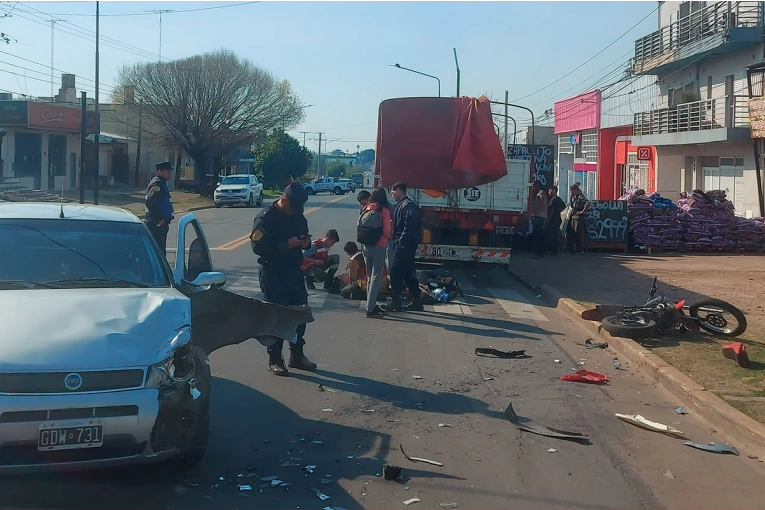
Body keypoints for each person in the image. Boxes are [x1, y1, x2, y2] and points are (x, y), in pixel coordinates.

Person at [250, 182, 316, 377]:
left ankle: (296, 355)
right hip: (273, 272)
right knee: (276, 316)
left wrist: (305, 242)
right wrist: (286, 245)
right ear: (284, 200)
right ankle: (275, 358)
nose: (294, 212)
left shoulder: (297, 215)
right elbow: (258, 248)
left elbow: (304, 235)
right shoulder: (265, 219)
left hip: (293, 271)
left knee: (300, 313)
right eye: (292, 207)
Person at [383, 181, 422, 312]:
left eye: (393, 192)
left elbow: (409, 227)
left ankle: (396, 301)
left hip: (405, 244)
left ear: (398, 190)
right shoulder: (401, 205)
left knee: (394, 271)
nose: (392, 195)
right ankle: (416, 299)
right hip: (403, 243)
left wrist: (402, 242)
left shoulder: (408, 206)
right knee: (408, 273)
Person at [357, 187, 392, 318]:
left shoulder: (366, 208)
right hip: (378, 246)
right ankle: (370, 309)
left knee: (369, 276)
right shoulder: (384, 211)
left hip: (365, 246)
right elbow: (387, 232)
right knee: (376, 277)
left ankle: (370, 304)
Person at [144, 161, 174, 254]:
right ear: (159, 172)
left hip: (158, 224)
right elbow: (151, 202)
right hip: (156, 224)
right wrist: (160, 219)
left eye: (169, 171)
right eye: (167, 171)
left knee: (159, 251)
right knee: (158, 252)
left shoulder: (162, 183)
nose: (169, 173)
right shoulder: (157, 185)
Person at [566, 184, 590, 255]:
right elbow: (571, 205)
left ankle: (579, 249)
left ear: (576, 190)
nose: (571, 192)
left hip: (579, 217)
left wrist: (583, 211)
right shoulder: (575, 197)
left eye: (572, 191)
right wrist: (571, 197)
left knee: (578, 233)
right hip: (574, 216)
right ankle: (572, 248)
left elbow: (587, 203)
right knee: (572, 233)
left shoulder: (581, 197)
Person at [546, 185, 566, 256]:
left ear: (554, 190)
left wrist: (548, 219)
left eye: (550, 190)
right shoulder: (558, 199)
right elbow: (564, 206)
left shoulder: (553, 199)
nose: (548, 192)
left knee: (553, 236)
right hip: (557, 219)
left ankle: (553, 251)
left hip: (553, 220)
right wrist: (558, 212)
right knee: (555, 235)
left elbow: (551, 210)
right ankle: (554, 250)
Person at [530, 182, 547, 259]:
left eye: (533, 186)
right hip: (538, 216)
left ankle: (538, 253)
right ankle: (538, 252)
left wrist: (533, 207)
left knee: (537, 234)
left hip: (540, 216)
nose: (533, 188)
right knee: (537, 234)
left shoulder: (541, 192)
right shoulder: (539, 193)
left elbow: (539, 203)